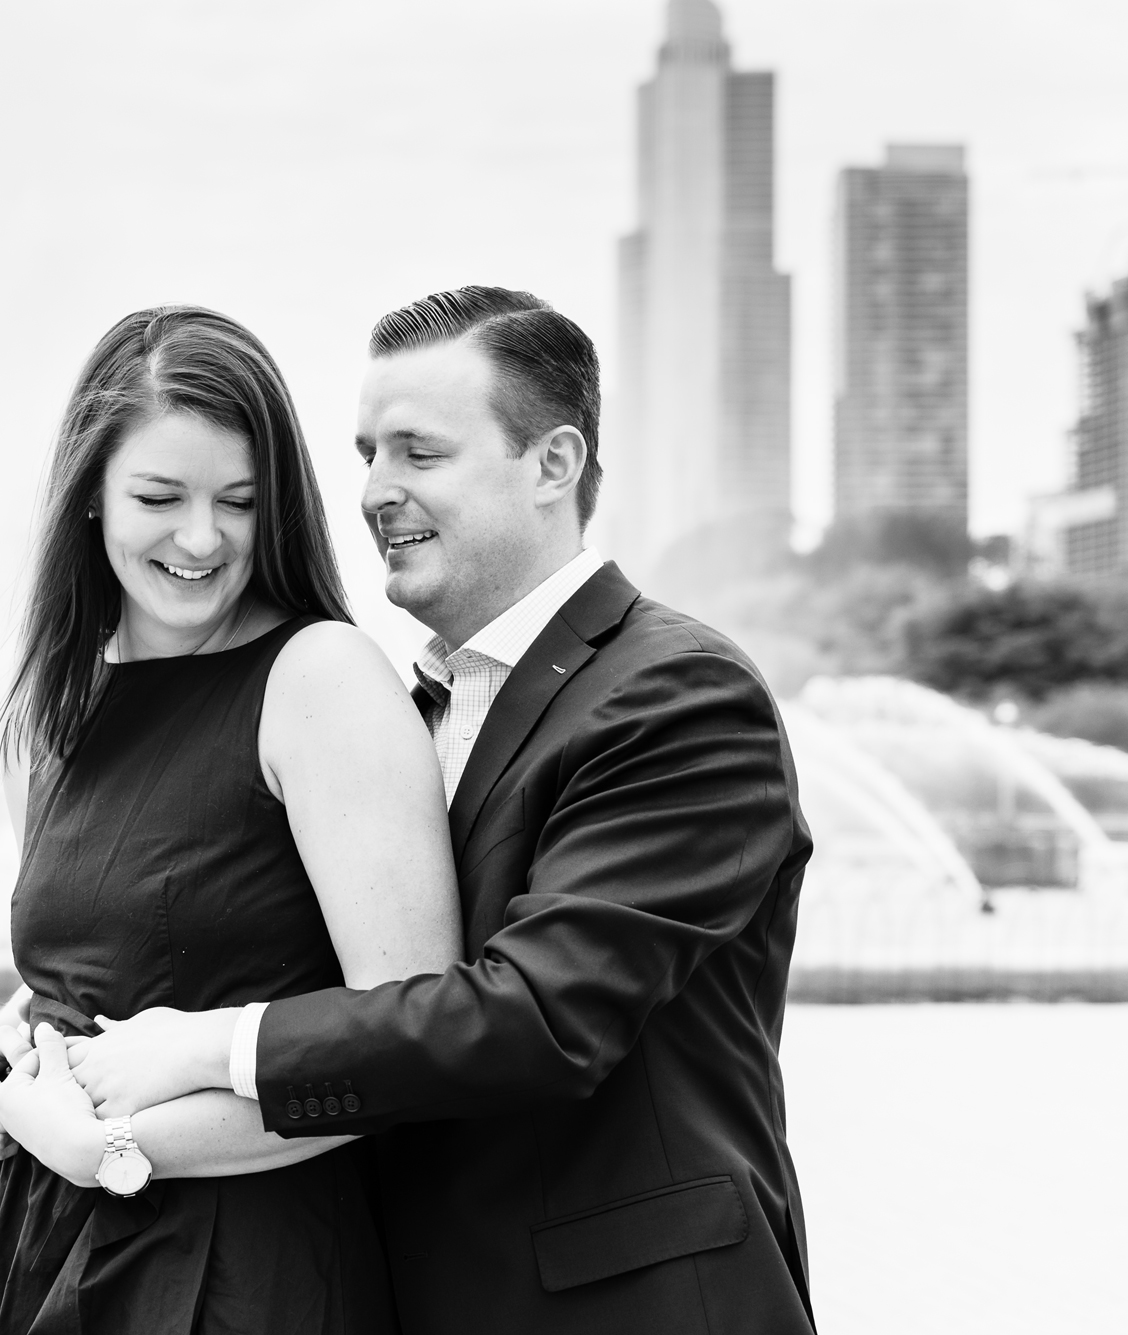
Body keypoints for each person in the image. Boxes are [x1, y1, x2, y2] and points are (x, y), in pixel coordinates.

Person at [63, 287, 816, 1333]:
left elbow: (535, 1018)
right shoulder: (394, 708)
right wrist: (34, 1042)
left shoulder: (676, 695)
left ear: (551, 464)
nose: (373, 491)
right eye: (366, 452)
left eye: (418, 453)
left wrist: (203, 1047)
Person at [0, 306, 463, 1334]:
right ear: (88, 498)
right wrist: (4, 1054)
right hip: (37, 1243)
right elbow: (105, 958)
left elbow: (410, 1044)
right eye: (158, 497)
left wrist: (111, 1149)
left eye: (239, 501)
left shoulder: (319, 681)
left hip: (245, 1267)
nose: (201, 538)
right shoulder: (52, 704)